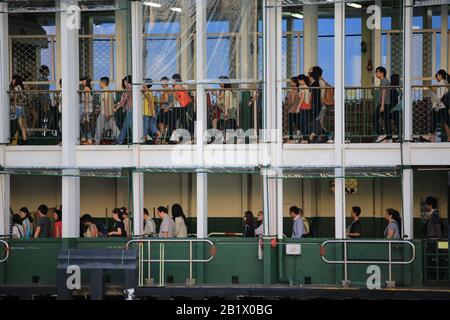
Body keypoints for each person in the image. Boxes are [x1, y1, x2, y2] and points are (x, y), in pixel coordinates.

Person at [94, 77, 118, 144]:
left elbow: (106, 101)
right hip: (110, 112)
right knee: (113, 127)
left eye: (100, 82)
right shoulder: (109, 90)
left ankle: (96, 142)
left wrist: (106, 112)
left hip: (104, 113)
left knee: (99, 127)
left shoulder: (105, 90)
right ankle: (119, 138)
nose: (99, 84)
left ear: (103, 82)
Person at [430, 70, 450, 141]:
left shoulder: (441, 84)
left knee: (434, 122)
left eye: (437, 76)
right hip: (443, 106)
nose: (436, 78)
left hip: (439, 106)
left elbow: (440, 96)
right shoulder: (446, 83)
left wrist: (436, 106)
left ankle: (432, 139)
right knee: (446, 122)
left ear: (440, 75)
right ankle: (449, 138)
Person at [374, 66, 392, 142]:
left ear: (382, 73)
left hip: (384, 104)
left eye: (377, 71)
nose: (376, 73)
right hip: (385, 104)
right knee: (386, 120)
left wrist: (382, 105)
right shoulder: (384, 81)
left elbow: (384, 93)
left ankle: (382, 135)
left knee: (374, 118)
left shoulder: (384, 81)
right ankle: (388, 137)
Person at [10, 74, 28, 144]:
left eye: (13, 79)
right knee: (22, 126)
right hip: (21, 107)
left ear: (16, 80)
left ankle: (13, 140)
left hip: (17, 108)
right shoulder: (20, 87)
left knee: (15, 125)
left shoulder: (16, 88)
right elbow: (23, 97)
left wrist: (13, 108)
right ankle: (24, 141)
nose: (12, 81)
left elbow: (15, 98)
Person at [115, 75, 133, 145]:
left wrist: (116, 107)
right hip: (131, 109)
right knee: (128, 126)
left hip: (129, 109)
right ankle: (122, 140)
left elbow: (123, 100)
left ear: (126, 81)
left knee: (127, 126)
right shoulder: (132, 87)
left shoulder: (128, 88)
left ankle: (120, 140)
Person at [142, 78, 160, 143]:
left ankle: (144, 138)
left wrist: (153, 112)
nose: (142, 84)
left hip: (146, 112)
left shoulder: (146, 93)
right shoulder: (150, 92)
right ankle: (158, 133)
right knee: (151, 125)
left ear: (146, 84)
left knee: (145, 126)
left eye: (144, 82)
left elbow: (150, 102)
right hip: (149, 112)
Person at [80, 76, 94, 144]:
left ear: (86, 81)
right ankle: (86, 138)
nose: (82, 82)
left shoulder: (86, 88)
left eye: (83, 80)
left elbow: (86, 100)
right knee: (85, 124)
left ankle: (88, 138)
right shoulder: (88, 88)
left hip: (86, 109)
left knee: (86, 124)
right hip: (88, 109)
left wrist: (85, 111)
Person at [286, 76, 300, 142]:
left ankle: (291, 138)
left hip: (292, 109)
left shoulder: (293, 90)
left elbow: (291, 101)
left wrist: (287, 106)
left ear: (295, 83)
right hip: (296, 110)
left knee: (291, 125)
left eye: (291, 82)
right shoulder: (297, 90)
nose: (290, 83)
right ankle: (298, 137)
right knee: (297, 124)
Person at [298, 74, 311, 140]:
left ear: (302, 80)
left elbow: (302, 97)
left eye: (299, 80)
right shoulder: (306, 86)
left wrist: (298, 106)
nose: (298, 82)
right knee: (305, 123)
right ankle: (305, 138)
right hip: (307, 106)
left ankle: (305, 138)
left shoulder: (303, 86)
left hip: (304, 106)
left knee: (304, 123)